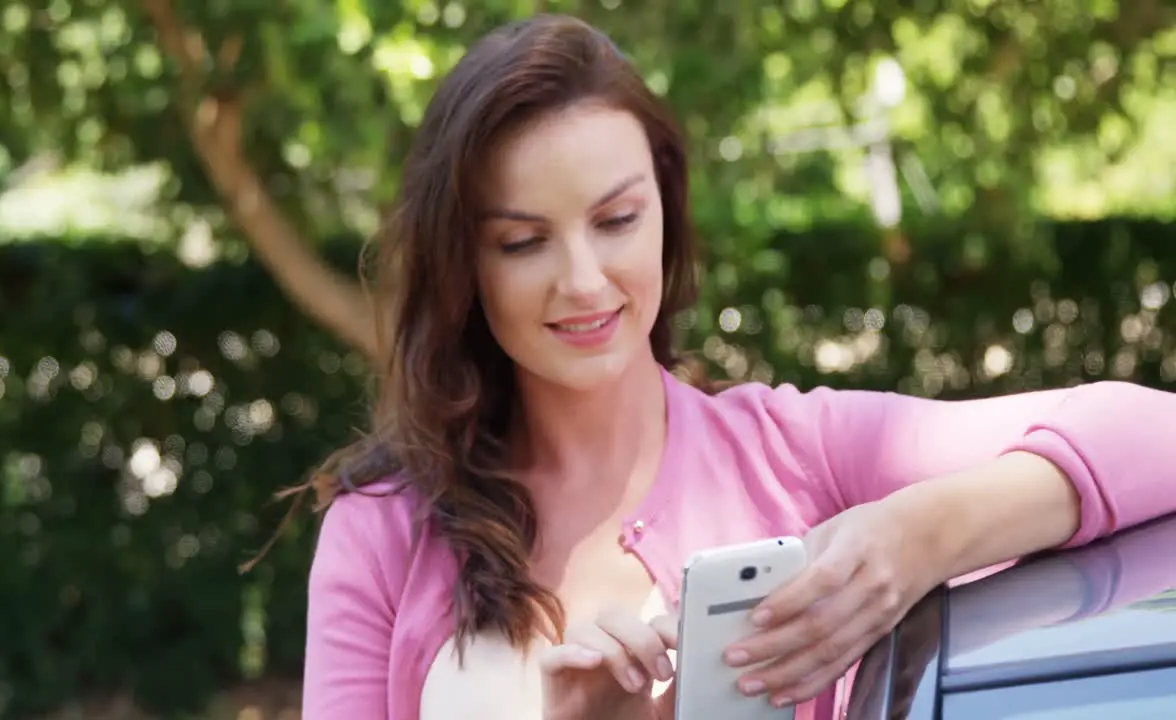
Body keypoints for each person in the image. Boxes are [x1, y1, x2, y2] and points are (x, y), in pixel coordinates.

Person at [297, 13, 1176, 720]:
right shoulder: (382, 536)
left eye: (617, 221)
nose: (583, 280)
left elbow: (1154, 431)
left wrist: (914, 539)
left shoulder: (793, 451)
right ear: (466, 265)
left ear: (667, 214)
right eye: (524, 242)